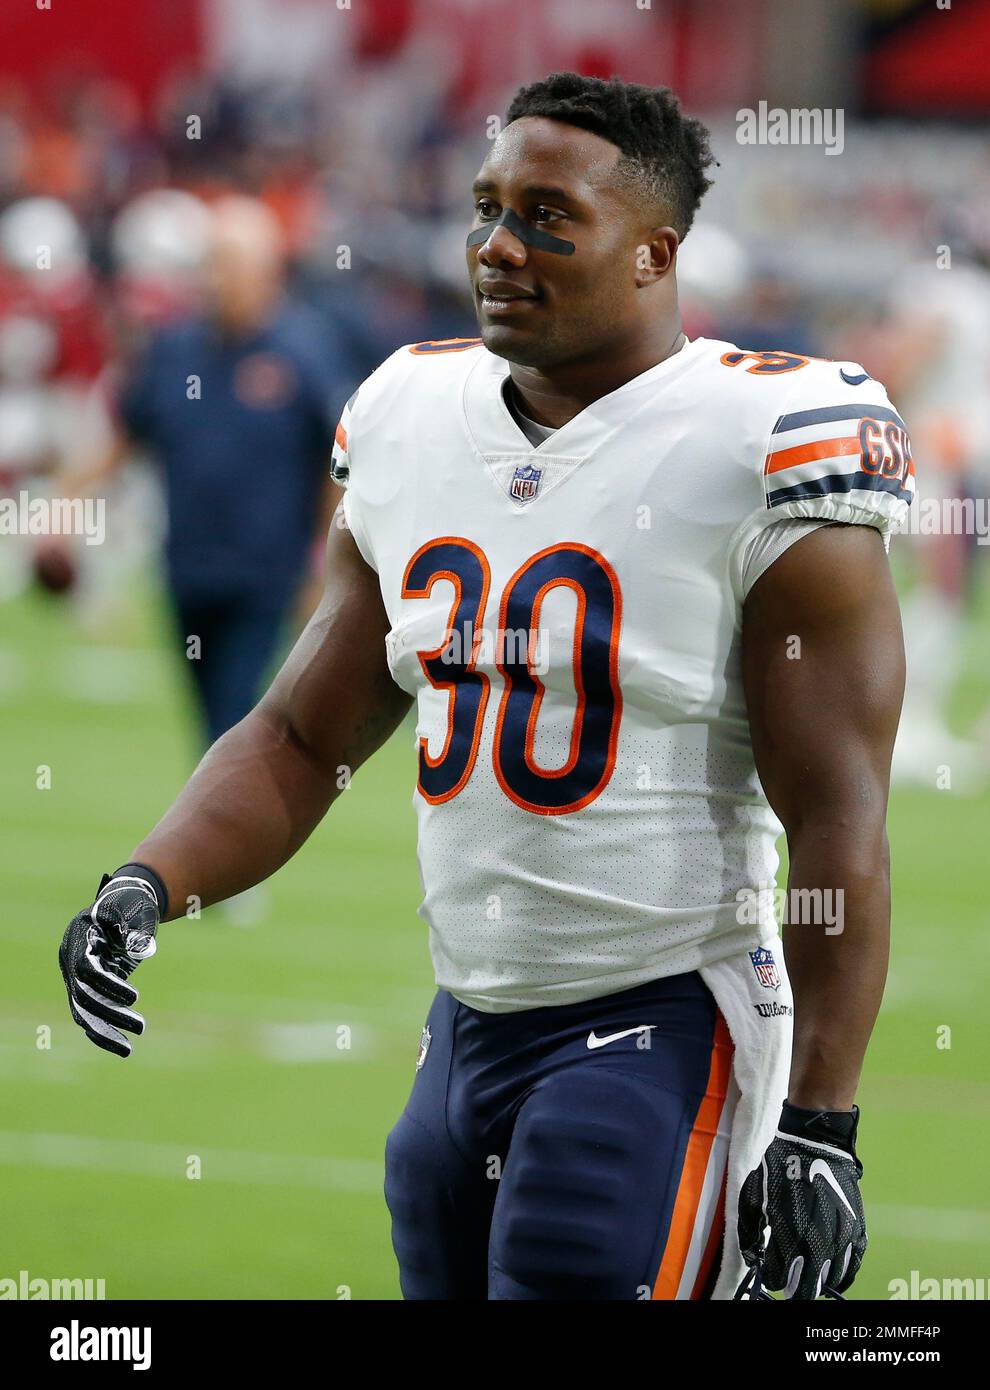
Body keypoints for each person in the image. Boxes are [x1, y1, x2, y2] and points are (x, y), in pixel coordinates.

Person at [58, 73, 913, 1301]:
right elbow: (304, 733)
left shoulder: (760, 442)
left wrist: (822, 1121)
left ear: (654, 252)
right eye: (488, 209)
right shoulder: (410, 412)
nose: (500, 247)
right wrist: (150, 878)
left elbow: (840, 814)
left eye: (551, 217)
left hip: (667, 1021)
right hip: (462, 1030)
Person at [60, 195, 350, 747]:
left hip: (266, 576)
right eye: (213, 263)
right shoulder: (173, 350)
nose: (218, 279)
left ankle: (225, 828)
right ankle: (234, 827)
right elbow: (125, 436)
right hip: (186, 571)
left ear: (268, 271)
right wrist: (64, 502)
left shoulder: (305, 352)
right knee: (211, 730)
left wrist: (323, 567)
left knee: (231, 723)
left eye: (232, 264)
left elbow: (336, 468)